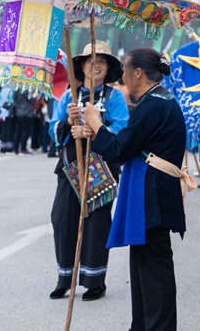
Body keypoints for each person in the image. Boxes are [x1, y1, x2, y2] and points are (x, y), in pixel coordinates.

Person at [83, 47, 187, 331]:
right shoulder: (158, 100)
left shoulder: (155, 104)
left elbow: (121, 148)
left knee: (155, 270)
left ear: (137, 73)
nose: (123, 78)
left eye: (126, 71)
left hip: (152, 195)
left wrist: (96, 124)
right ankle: (141, 325)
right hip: (152, 193)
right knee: (144, 265)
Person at [48, 41, 129, 302]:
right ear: (81, 66)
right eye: (90, 61)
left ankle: (95, 281)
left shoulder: (114, 96)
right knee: (62, 220)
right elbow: (53, 129)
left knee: (96, 225)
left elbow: (122, 129)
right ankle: (65, 278)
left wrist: (93, 131)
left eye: (102, 62)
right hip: (70, 167)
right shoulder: (68, 96)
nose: (95, 65)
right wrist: (68, 123)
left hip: (101, 168)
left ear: (107, 70)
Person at [12, 89, 35, 155]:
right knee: (25, 131)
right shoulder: (25, 89)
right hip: (26, 112)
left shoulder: (16, 89)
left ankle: (15, 148)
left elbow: (14, 99)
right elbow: (31, 99)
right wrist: (35, 96)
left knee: (17, 131)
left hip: (18, 112)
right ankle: (23, 148)